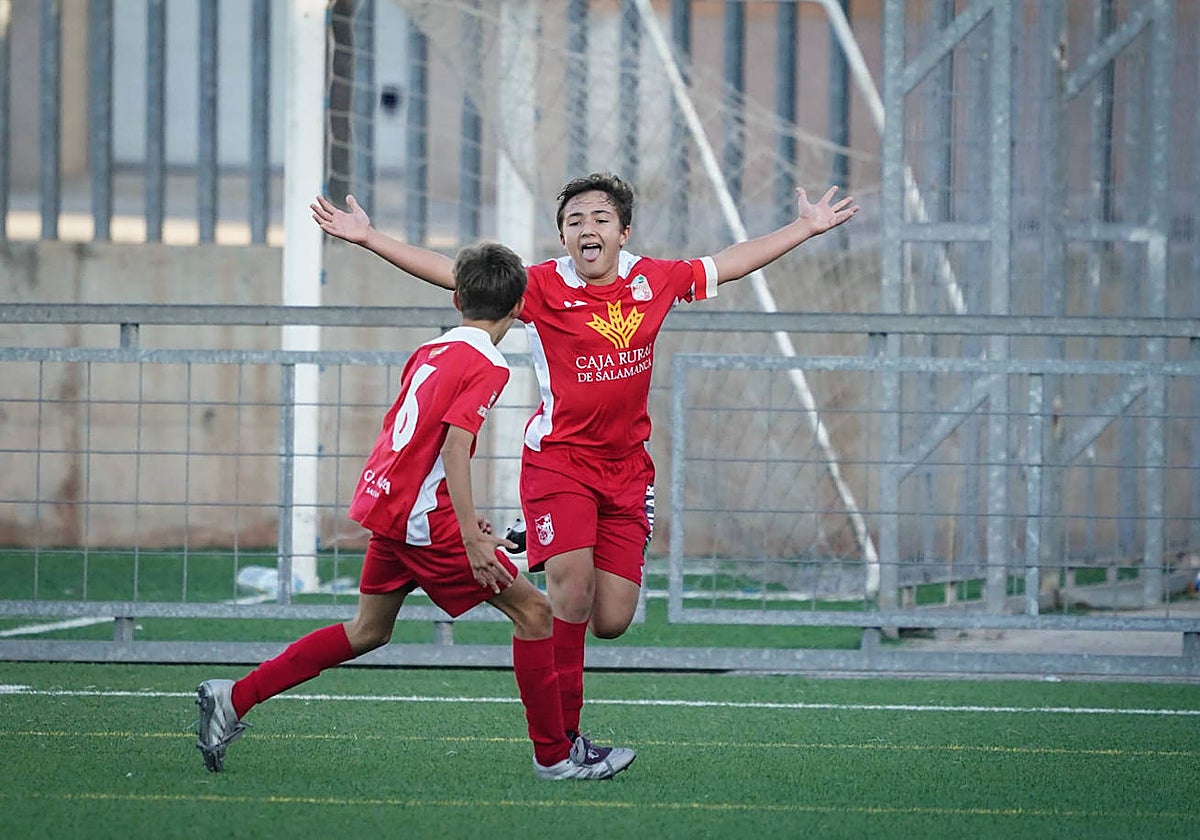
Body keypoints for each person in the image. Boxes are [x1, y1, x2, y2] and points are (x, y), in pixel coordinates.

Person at [311, 172, 859, 746]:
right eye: (574, 222)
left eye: (599, 219)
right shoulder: (540, 285)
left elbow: (730, 261)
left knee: (612, 619)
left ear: (624, 231)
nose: (587, 229)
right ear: (564, 238)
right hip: (559, 462)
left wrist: (803, 227)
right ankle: (565, 741)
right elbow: (457, 275)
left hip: (627, 472)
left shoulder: (656, 278)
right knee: (568, 596)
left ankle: (544, 545)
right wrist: (371, 239)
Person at [195, 240, 635, 781]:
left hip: (394, 510)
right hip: (426, 524)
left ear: (457, 301)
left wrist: (453, 512)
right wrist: (470, 538)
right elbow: (453, 444)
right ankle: (554, 756)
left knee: (368, 630)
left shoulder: (430, 351)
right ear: (521, 307)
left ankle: (234, 697)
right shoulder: (491, 365)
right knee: (536, 613)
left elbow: (410, 438)